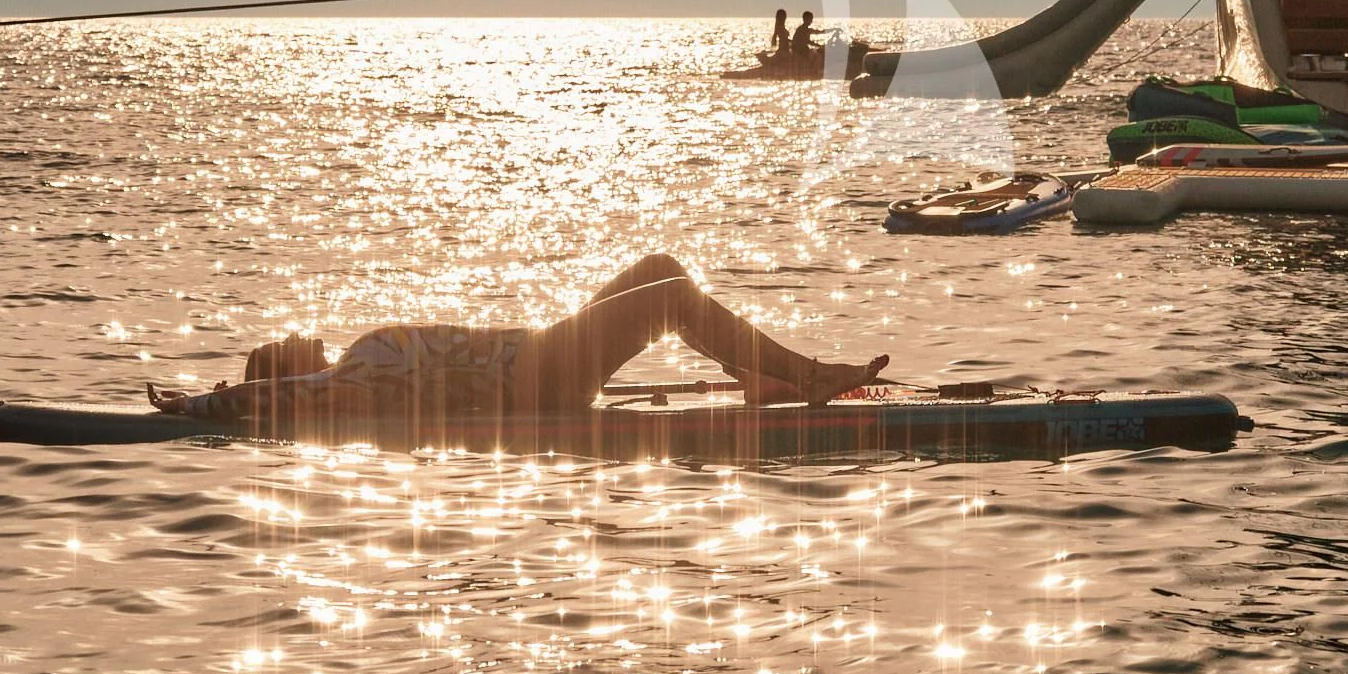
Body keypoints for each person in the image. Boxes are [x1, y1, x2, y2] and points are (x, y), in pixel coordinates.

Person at [146, 254, 887, 438]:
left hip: (542, 357)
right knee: (664, 288)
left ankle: (758, 375)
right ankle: (807, 376)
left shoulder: (357, 365)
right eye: (286, 343)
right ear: (290, 371)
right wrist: (202, 402)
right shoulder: (346, 380)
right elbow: (276, 396)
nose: (298, 332)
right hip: (537, 376)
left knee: (664, 284)